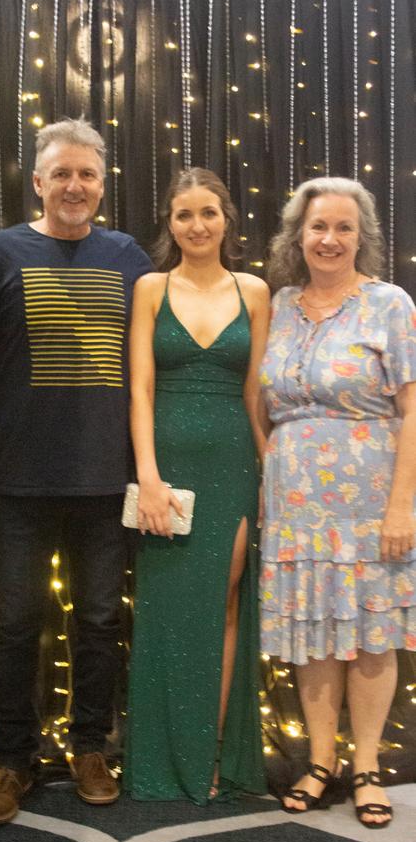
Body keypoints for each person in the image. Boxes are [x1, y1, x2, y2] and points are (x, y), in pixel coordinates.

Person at [0, 117, 152, 824]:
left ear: (101, 183)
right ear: (38, 182)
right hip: (21, 480)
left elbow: (152, 371)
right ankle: (14, 760)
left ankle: (91, 747)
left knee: (97, 621)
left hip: (105, 481)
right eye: (61, 173)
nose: (74, 185)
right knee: (13, 624)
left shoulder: (130, 258)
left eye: (86, 173)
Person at [260, 177, 416, 828]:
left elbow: (413, 410)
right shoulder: (279, 304)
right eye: (318, 226)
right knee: (315, 633)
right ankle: (322, 760)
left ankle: (368, 766)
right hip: (296, 504)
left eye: (343, 228)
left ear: (362, 237)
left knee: (372, 635)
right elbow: (256, 392)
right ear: (300, 234)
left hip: (370, 499)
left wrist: (404, 504)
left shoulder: (390, 305)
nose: (329, 238)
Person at [125, 167, 270, 803]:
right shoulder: (151, 288)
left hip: (234, 465)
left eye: (208, 213)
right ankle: (165, 755)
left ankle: (208, 750)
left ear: (226, 219)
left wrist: (270, 474)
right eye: (184, 215)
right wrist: (148, 477)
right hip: (169, 471)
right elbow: (140, 389)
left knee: (226, 604)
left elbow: (255, 393)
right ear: (171, 224)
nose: (197, 225)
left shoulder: (257, 292)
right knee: (165, 616)